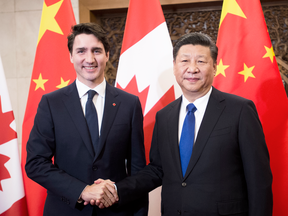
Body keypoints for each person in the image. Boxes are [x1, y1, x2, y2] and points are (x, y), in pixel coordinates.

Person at [97, 32, 273, 215]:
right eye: (185, 61)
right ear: (174, 67)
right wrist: (116, 189)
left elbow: (259, 179)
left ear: (214, 67)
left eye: (201, 61)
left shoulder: (240, 110)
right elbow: (157, 170)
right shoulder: (164, 116)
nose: (192, 69)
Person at [25, 23, 148, 216]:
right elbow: (35, 163)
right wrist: (82, 191)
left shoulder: (129, 104)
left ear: (107, 54)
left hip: (116, 212)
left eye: (96, 51)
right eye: (81, 51)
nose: (89, 59)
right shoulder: (51, 103)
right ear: (71, 56)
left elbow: (138, 172)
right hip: (65, 210)